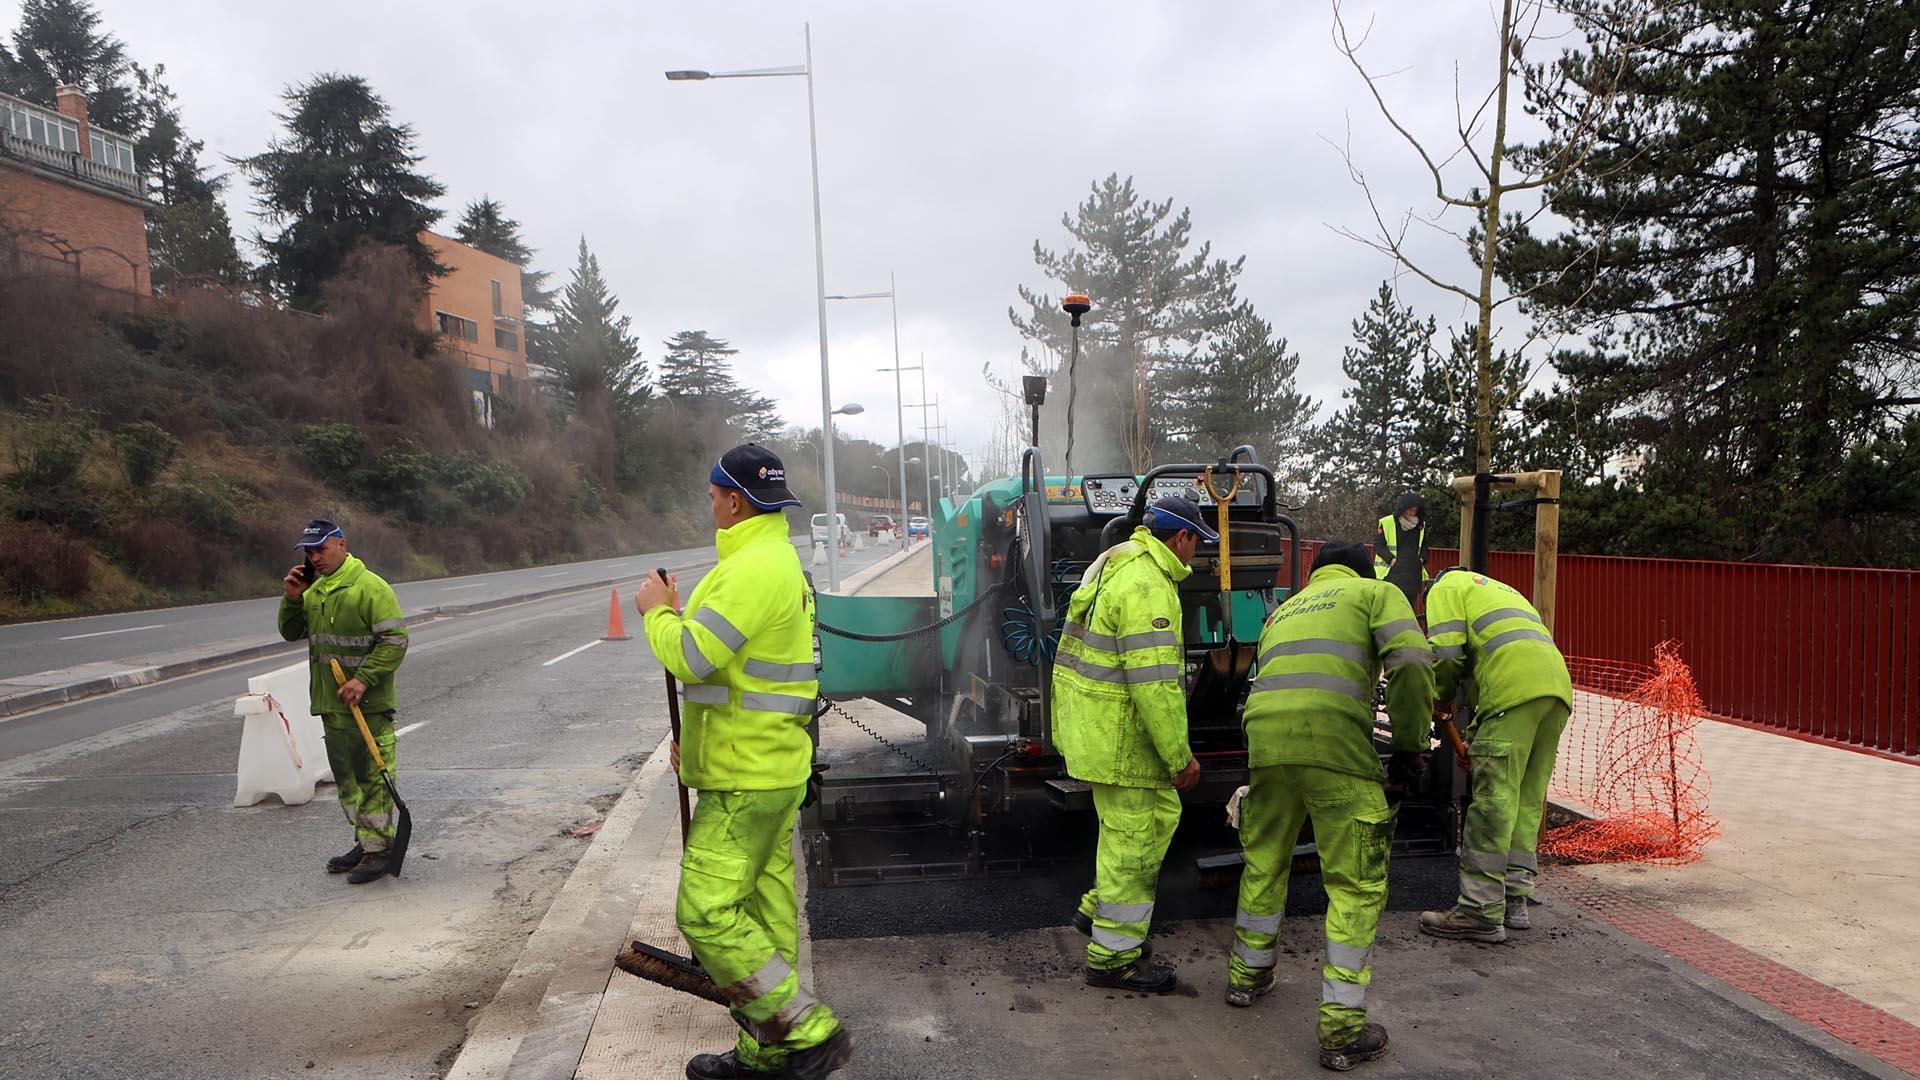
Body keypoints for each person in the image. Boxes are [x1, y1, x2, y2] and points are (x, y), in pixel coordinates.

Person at [636, 444, 853, 1080]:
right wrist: (694, 743)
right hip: (765, 763)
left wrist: (658, 614)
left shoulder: (751, 568)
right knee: (766, 916)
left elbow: (694, 658)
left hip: (744, 778)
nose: (709, 507)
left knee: (705, 911)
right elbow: (735, 678)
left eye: (712, 497)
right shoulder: (773, 560)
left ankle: (810, 1032)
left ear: (735, 500)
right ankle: (769, 1051)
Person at [1227, 541, 1434, 1073]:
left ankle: (1247, 977)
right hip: (1335, 748)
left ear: (1316, 574)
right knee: (1355, 884)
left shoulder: (1285, 609)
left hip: (1267, 746)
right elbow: (1411, 661)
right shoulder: (1376, 593)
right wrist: (1411, 745)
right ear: (1364, 571)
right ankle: (1342, 1031)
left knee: (1265, 859)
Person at [1053, 494, 1214, 993]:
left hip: (1098, 729)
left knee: (1157, 819)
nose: (1198, 555)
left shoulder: (1117, 563)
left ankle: (1096, 912)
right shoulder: (1148, 586)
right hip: (1123, 738)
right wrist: (1178, 755)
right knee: (1132, 846)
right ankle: (1113, 959)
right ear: (1181, 537)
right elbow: (1156, 684)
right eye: (1197, 543)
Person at [1418, 567, 1573, 943]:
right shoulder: (1502, 591)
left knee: (1493, 803)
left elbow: (1449, 656)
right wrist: (1475, 738)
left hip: (1511, 691)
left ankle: (1479, 911)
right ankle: (1514, 898)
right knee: (1524, 797)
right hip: (1554, 691)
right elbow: (1483, 668)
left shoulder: (1445, 589)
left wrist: (1439, 698)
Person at [277, 519, 409, 885]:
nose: (314, 557)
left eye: (321, 549)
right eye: (309, 552)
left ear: (341, 544)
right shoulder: (314, 592)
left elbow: (395, 641)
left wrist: (363, 680)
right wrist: (291, 598)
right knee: (348, 782)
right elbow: (291, 632)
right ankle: (367, 842)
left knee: (374, 779)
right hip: (332, 706)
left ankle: (379, 851)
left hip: (369, 706)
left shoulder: (369, 587)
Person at [1372, 492, 1429, 606]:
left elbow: (1424, 545)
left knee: (1408, 609)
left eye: (1415, 510)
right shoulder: (1387, 522)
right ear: (1403, 508)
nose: (1412, 513)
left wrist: (1422, 559)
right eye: (1410, 510)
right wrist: (1391, 559)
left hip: (1412, 574)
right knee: (1389, 607)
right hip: (1391, 574)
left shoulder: (1421, 525)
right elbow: (1378, 545)